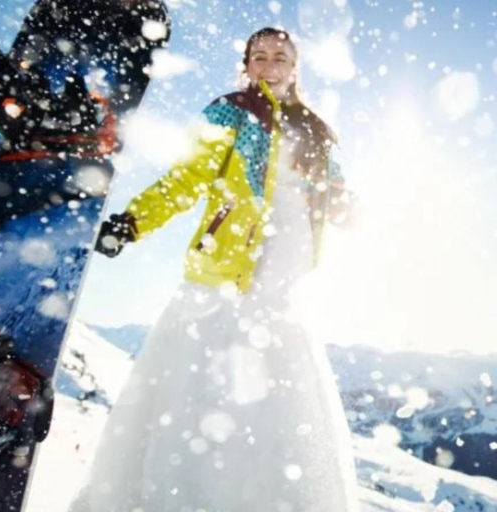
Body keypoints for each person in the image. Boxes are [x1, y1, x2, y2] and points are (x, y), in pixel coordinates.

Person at [70, 27, 360, 511]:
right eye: (260, 56)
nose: (270, 65)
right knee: (206, 383)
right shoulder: (231, 110)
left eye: (281, 57)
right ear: (247, 64)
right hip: (228, 265)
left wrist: (352, 209)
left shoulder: (314, 128)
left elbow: (336, 193)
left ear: (295, 68)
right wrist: (135, 220)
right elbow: (187, 177)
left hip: (286, 267)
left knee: (275, 387)